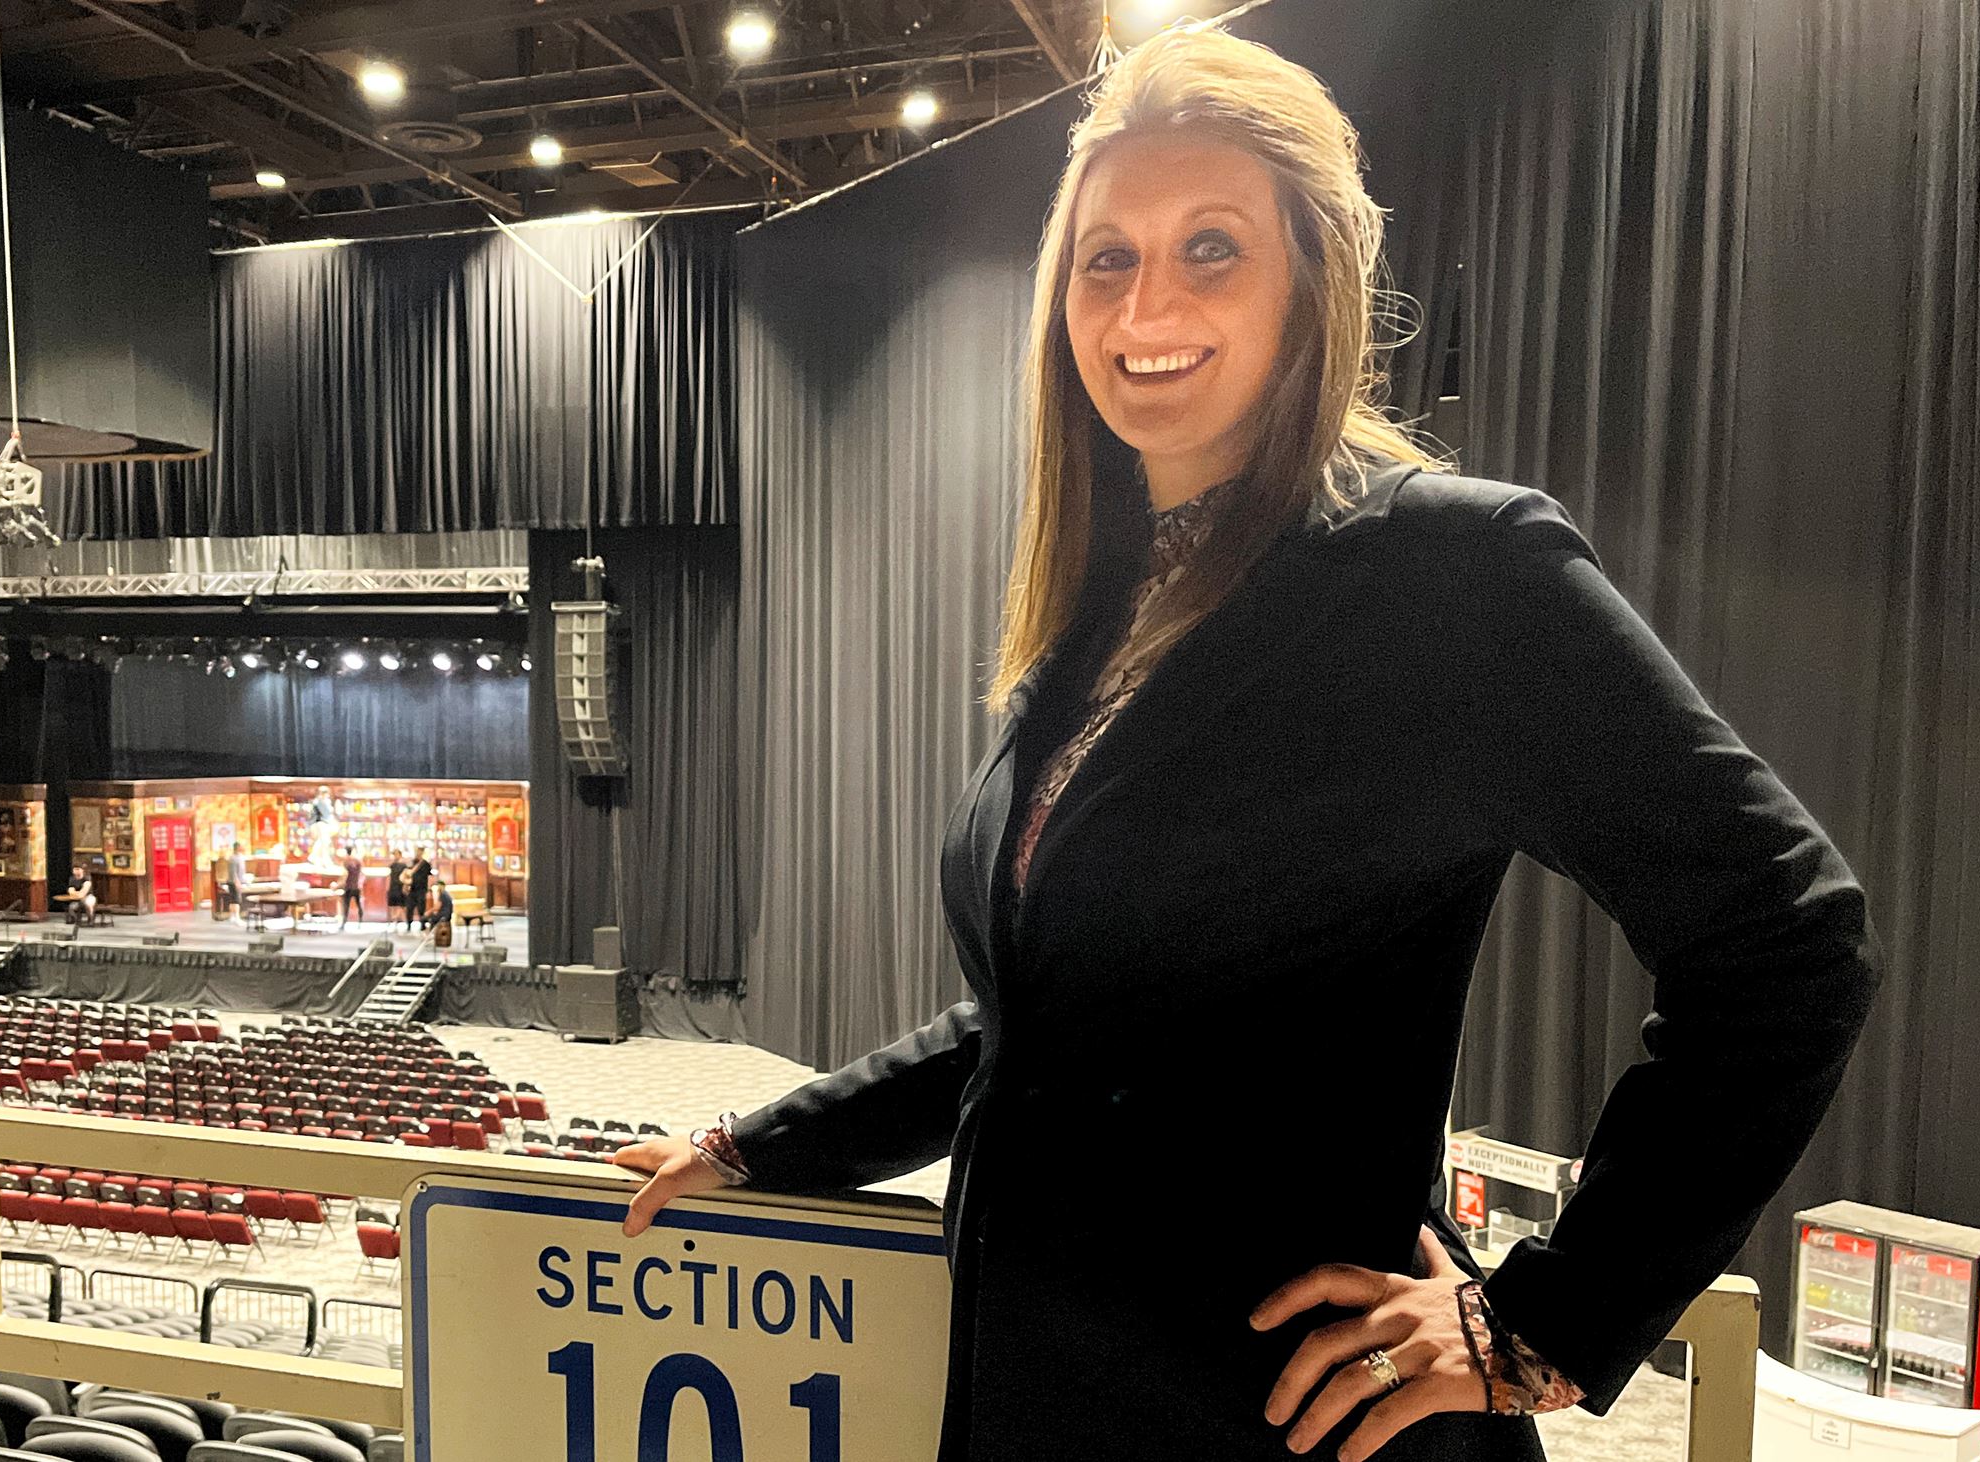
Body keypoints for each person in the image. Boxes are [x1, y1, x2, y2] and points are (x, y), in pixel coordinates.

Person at [610, 28, 1877, 1462]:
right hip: (1046, 1403)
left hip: (1282, 1421)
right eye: (1107, 257)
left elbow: (1788, 942)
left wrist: (1549, 1318)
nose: (1147, 300)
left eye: (1211, 247)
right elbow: (1051, 1019)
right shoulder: (1099, 606)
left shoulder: (1451, 573)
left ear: (1307, 283)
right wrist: (757, 1145)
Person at [404, 848, 434, 932]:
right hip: (412, 889)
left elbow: (430, 876)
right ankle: (409, 925)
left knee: (421, 908)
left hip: (422, 889)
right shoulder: (412, 863)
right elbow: (407, 873)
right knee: (409, 908)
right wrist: (406, 886)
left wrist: (429, 888)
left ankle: (422, 924)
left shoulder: (426, 864)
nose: (418, 854)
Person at [338, 845, 365, 928]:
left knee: (346, 905)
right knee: (359, 904)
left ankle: (344, 922)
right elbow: (362, 873)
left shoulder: (345, 861)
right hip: (357, 885)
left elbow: (344, 874)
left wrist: (339, 884)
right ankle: (360, 921)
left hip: (348, 885)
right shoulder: (358, 861)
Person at [385, 851, 409, 928]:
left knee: (401, 905)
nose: (395, 856)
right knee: (392, 905)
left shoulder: (404, 865)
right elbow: (389, 877)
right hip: (393, 886)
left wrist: (405, 886)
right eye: (394, 855)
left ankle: (402, 920)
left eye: (396, 854)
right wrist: (387, 886)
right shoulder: (392, 865)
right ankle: (394, 921)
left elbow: (406, 876)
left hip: (400, 886)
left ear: (400, 855)